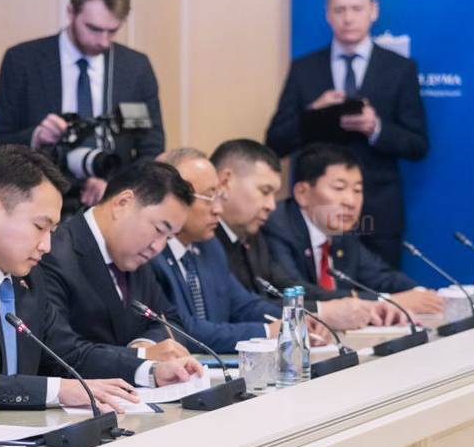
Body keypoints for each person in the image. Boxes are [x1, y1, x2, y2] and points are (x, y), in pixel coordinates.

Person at [0, 146, 203, 413]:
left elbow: (71, 354)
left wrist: (150, 371)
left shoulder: (25, 277)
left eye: (52, 231)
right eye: (39, 227)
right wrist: (59, 391)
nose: (47, 245)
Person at [265, 0, 429, 268]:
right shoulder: (304, 69)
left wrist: (376, 128)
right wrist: (313, 114)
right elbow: (275, 143)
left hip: (378, 214)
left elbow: (418, 145)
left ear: (373, 11)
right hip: (317, 213)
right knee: (318, 289)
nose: (348, 18)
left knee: (384, 289)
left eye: (356, 9)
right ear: (328, 14)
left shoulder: (400, 69)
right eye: (340, 10)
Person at [0, 0, 165, 214]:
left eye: (112, 31)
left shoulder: (135, 68)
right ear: (71, 12)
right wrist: (36, 136)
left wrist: (116, 187)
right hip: (38, 204)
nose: (103, 41)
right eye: (94, 29)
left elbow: (152, 149)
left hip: (113, 207)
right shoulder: (23, 62)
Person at [149, 149, 330, 354]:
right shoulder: (152, 254)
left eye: (219, 196)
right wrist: (266, 332)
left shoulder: (209, 246)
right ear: (172, 197)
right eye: (208, 197)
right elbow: (182, 329)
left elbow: (244, 305)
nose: (218, 209)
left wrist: (294, 319)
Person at [210, 139, 404, 329]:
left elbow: (283, 288)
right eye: (265, 191)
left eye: (358, 190)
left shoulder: (252, 236)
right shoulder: (271, 227)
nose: (271, 205)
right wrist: (324, 312)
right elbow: (244, 307)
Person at [261, 144, 443, 316]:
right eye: (339, 188)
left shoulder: (342, 233)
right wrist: (386, 302)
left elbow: (381, 276)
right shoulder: (278, 225)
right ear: (303, 193)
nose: (350, 201)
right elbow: (294, 291)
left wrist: (421, 294)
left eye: (357, 190)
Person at [41, 159, 194, 359]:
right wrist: (139, 357)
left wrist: (145, 344)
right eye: (159, 230)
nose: (158, 247)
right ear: (123, 203)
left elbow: (169, 320)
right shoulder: (53, 253)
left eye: (169, 238)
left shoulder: (136, 258)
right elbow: (60, 350)